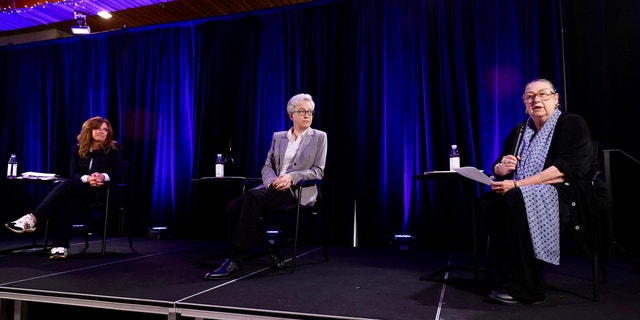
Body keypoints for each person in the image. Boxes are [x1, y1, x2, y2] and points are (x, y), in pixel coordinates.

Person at [481, 78, 599, 305]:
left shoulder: (571, 123)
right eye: (530, 96)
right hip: (522, 191)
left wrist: (517, 185)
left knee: (516, 200)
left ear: (556, 99)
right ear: (524, 103)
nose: (537, 100)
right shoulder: (520, 130)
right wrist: (501, 168)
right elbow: (499, 165)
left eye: (543, 94)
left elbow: (565, 170)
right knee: (487, 203)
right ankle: (509, 273)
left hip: (566, 192)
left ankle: (527, 288)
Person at [204, 93, 327, 279]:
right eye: (302, 111)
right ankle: (270, 246)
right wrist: (271, 181)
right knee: (232, 208)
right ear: (291, 115)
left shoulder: (319, 137)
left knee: (253, 197)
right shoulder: (279, 137)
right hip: (272, 188)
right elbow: (267, 166)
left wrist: (291, 177)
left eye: (310, 111)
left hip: (297, 191)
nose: (307, 115)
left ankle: (235, 259)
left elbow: (318, 171)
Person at [5, 116, 124, 259]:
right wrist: (88, 178)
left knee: (66, 186)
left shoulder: (114, 149)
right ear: (88, 130)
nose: (102, 132)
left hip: (104, 194)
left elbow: (119, 174)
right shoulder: (77, 150)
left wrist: (102, 177)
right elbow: (74, 174)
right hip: (81, 194)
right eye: (98, 128)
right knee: (66, 200)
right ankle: (60, 247)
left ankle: (31, 219)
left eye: (105, 129)